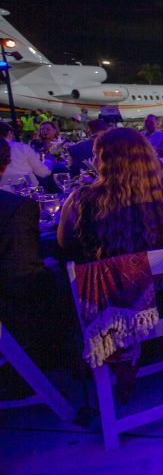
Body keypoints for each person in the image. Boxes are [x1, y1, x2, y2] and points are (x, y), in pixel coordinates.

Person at [57, 128, 163, 262]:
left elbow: (66, 243)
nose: (92, 160)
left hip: (109, 282)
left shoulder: (79, 200)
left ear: (105, 160)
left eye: (95, 154)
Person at [0, 140, 79, 380]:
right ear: (5, 164)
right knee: (66, 278)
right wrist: (51, 266)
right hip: (12, 307)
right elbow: (24, 275)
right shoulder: (15, 208)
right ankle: (60, 362)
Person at [0, 120, 52, 188]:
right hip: (26, 189)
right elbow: (43, 173)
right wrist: (49, 161)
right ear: (10, 133)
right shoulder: (22, 148)